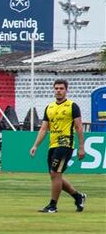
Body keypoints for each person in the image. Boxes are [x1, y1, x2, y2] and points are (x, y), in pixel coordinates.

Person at [30, 79, 86, 213]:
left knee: (56, 173)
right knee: (54, 175)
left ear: (66, 90)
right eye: (56, 88)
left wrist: (81, 147)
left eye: (61, 88)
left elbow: (78, 127)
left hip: (65, 144)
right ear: (53, 90)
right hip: (53, 145)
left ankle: (53, 205)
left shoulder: (72, 106)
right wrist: (35, 145)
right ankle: (78, 197)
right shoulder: (49, 107)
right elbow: (44, 129)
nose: (58, 91)